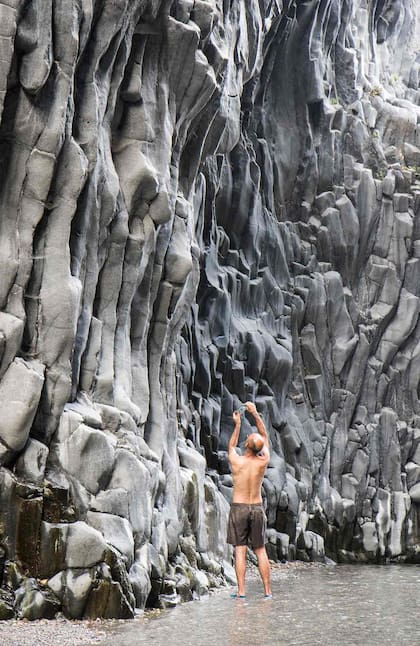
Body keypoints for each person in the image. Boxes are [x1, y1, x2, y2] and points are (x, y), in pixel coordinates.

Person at [227, 401, 272, 599]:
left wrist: (237, 424)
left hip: (239, 508)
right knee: (260, 550)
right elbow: (265, 437)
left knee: (240, 550)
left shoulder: (237, 461)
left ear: (246, 445)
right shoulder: (263, 462)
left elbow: (230, 446)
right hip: (256, 506)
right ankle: (268, 592)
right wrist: (255, 414)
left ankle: (242, 592)